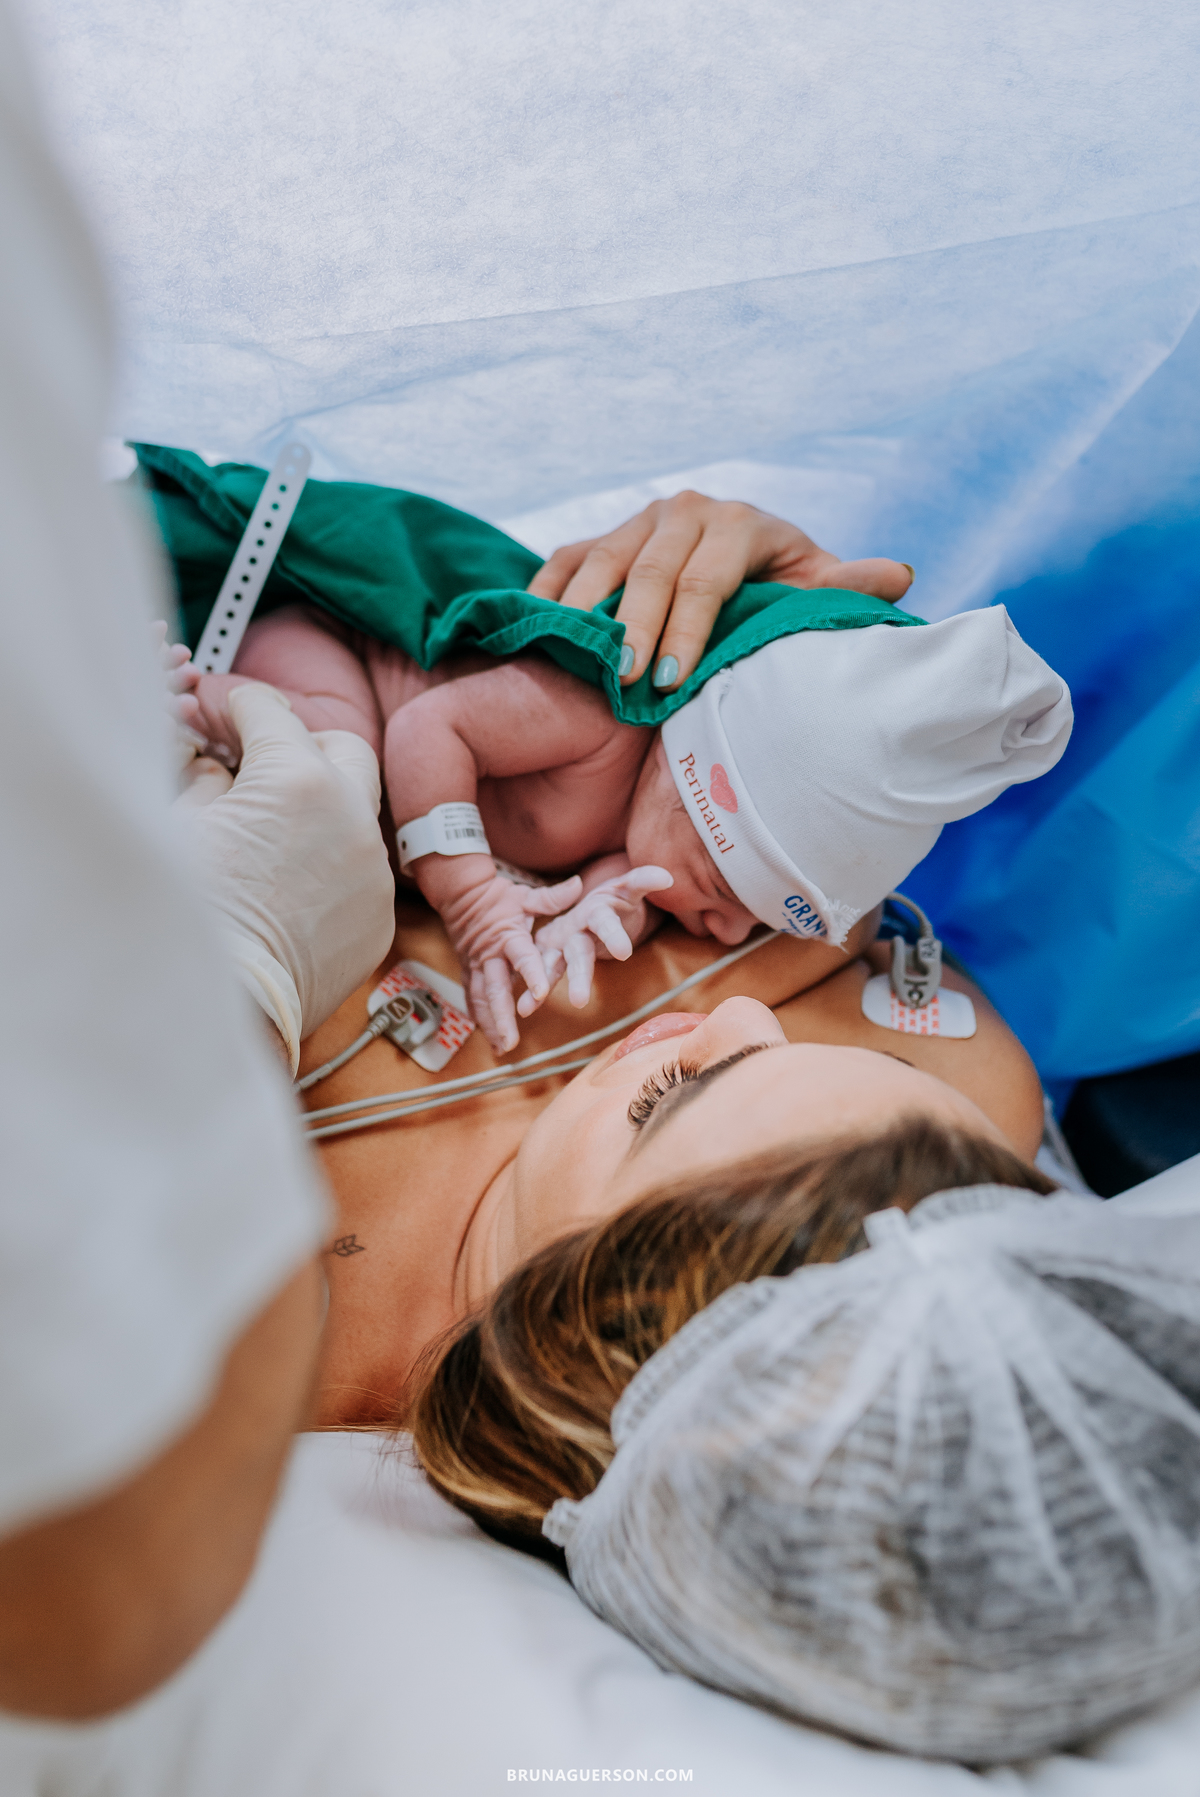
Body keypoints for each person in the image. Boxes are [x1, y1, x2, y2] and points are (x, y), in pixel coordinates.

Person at [188, 589, 1071, 1054]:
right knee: (347, 738)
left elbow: (622, 894)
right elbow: (429, 726)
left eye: (748, 921)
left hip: (352, 812)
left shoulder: (649, 852)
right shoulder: (596, 725)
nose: (724, 927)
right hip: (320, 652)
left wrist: (588, 918)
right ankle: (193, 698)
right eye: (725, 887)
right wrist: (471, 900)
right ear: (694, 783)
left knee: (343, 779)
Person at [301, 886, 1046, 1429]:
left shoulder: (303, 1332)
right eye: (845, 1061)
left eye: (667, 1096)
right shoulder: (967, 1092)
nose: (742, 1014)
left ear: (557, 1350)